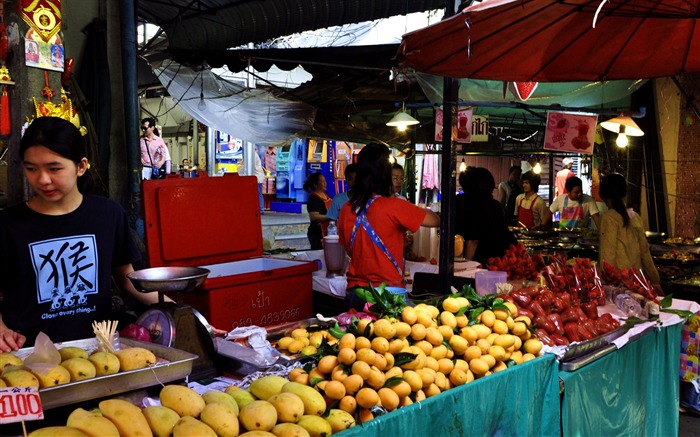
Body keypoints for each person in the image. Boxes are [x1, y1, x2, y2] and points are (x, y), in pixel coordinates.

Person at [0, 117, 164, 351]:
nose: (43, 179)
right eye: (32, 169)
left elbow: (128, 279)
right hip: (28, 354)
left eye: (54, 168)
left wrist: (186, 315)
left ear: (81, 166)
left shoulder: (108, 214)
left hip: (99, 350)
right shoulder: (8, 224)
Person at [337, 143, 439, 311]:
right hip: (386, 294)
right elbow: (434, 220)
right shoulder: (393, 206)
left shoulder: (346, 209)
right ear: (385, 175)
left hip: (355, 293)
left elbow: (349, 249)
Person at [598, 173, 660, 286]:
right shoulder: (635, 217)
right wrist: (655, 281)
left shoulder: (609, 218)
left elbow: (607, 256)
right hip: (638, 282)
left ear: (603, 195)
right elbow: (645, 253)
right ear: (625, 194)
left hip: (619, 284)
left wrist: (604, 284)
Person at [456, 167, 517, 266]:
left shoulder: (471, 204)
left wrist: (466, 266)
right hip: (497, 261)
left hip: (480, 262)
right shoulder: (495, 205)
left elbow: (473, 240)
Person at [304, 172, 332, 250]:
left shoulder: (327, 195)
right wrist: (330, 216)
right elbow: (314, 216)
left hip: (328, 231)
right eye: (322, 182)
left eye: (325, 181)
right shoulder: (314, 198)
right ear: (315, 184)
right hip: (317, 234)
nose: (325, 183)